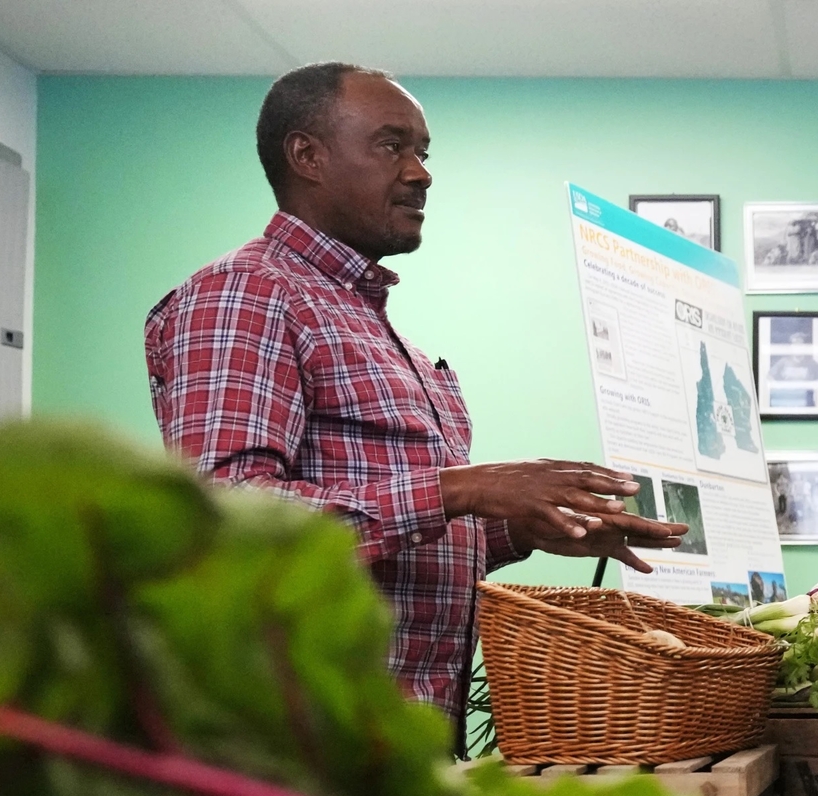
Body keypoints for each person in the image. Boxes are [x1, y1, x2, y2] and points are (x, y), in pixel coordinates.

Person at [146, 62, 686, 739]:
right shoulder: (245, 295)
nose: (421, 172)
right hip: (300, 756)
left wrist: (525, 524)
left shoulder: (376, 329)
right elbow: (226, 525)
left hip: (402, 751)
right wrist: (461, 489)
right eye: (391, 145)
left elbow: (403, 546)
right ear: (307, 156)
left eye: (423, 151)